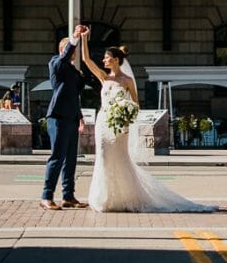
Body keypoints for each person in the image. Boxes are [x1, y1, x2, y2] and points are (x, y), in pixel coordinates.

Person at [80, 30, 216, 213]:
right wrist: (83, 39)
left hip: (120, 125)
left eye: (106, 58)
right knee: (103, 157)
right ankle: (105, 198)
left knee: (119, 159)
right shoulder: (104, 78)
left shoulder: (127, 80)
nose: (103, 61)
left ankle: (126, 197)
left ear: (115, 60)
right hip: (103, 122)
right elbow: (86, 60)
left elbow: (135, 104)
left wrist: (124, 114)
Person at [39, 24, 89, 210]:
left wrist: (80, 117)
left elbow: (74, 96)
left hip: (71, 117)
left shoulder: (74, 72)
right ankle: (46, 196)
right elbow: (64, 57)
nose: (73, 53)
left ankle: (68, 196)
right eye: (71, 49)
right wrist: (75, 38)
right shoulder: (56, 63)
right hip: (58, 117)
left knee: (70, 158)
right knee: (57, 156)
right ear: (63, 50)